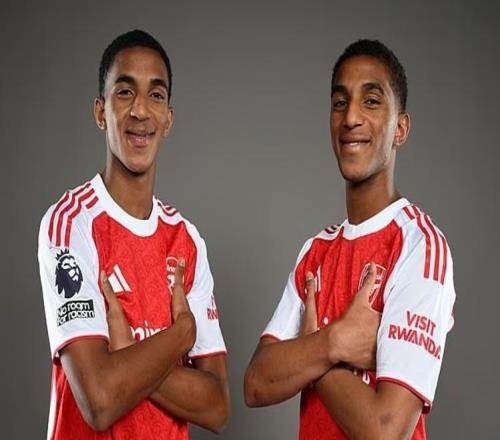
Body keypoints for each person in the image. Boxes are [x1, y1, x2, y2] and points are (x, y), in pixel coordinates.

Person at [244, 39, 455, 439]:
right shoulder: (316, 251)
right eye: (340, 102)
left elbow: (385, 429)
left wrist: (310, 351)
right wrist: (333, 342)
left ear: (400, 128)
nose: (351, 117)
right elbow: (256, 383)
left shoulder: (419, 247)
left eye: (371, 101)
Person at [38, 29, 229, 439]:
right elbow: (100, 399)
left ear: (168, 119)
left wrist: (126, 357)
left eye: (155, 95)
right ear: (100, 111)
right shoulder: (71, 223)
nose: (141, 111)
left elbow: (216, 406)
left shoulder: (186, 241)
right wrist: (179, 336)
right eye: (125, 93)